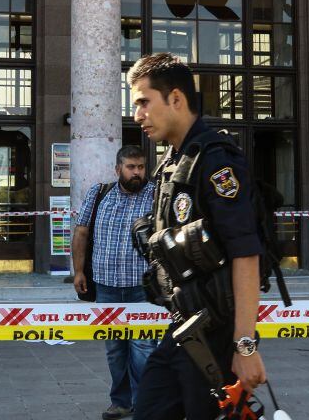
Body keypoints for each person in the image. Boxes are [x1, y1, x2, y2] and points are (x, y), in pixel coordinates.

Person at [129, 53, 266, 419]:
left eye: (144, 102)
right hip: (184, 327)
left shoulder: (216, 162)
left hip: (217, 334)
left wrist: (245, 346)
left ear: (176, 98)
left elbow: (245, 253)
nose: (137, 115)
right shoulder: (175, 162)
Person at [72, 145, 158, 420]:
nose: (137, 173)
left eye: (141, 167)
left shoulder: (156, 195)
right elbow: (82, 232)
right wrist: (78, 271)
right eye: (131, 167)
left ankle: (144, 403)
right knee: (115, 349)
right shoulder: (100, 194)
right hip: (107, 286)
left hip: (143, 287)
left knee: (143, 347)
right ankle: (120, 402)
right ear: (117, 168)